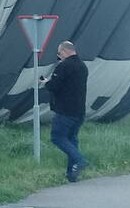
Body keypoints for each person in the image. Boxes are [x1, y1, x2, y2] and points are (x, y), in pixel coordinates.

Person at [41, 41, 89, 182]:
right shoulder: (82, 66)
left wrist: (46, 83)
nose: (58, 56)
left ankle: (80, 160)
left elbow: (54, 86)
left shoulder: (64, 66)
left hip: (65, 110)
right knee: (72, 139)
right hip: (79, 110)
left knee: (58, 137)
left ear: (64, 52)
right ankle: (71, 174)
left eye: (59, 53)